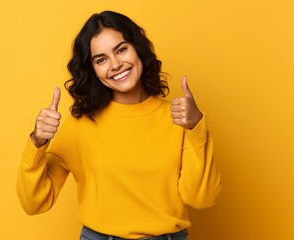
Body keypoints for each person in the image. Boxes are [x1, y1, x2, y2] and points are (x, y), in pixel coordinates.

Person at [16, 10, 221, 240]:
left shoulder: (177, 119)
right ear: (92, 70)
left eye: (121, 49)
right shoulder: (80, 126)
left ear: (138, 49)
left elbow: (201, 198)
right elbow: (34, 203)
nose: (115, 64)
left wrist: (195, 127)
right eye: (101, 59)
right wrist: (37, 141)